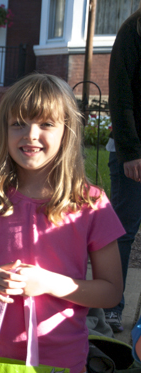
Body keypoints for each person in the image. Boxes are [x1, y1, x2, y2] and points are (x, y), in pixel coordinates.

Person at [0, 74, 124, 373]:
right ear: (3, 130)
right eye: (18, 123)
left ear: (67, 132)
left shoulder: (90, 205)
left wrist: (48, 283)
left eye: (46, 123)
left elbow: (110, 292)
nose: (31, 134)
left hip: (59, 367)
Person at [105, 3, 141, 333]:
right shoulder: (132, 32)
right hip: (134, 153)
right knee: (124, 232)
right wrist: (130, 152)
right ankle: (111, 306)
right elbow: (120, 96)